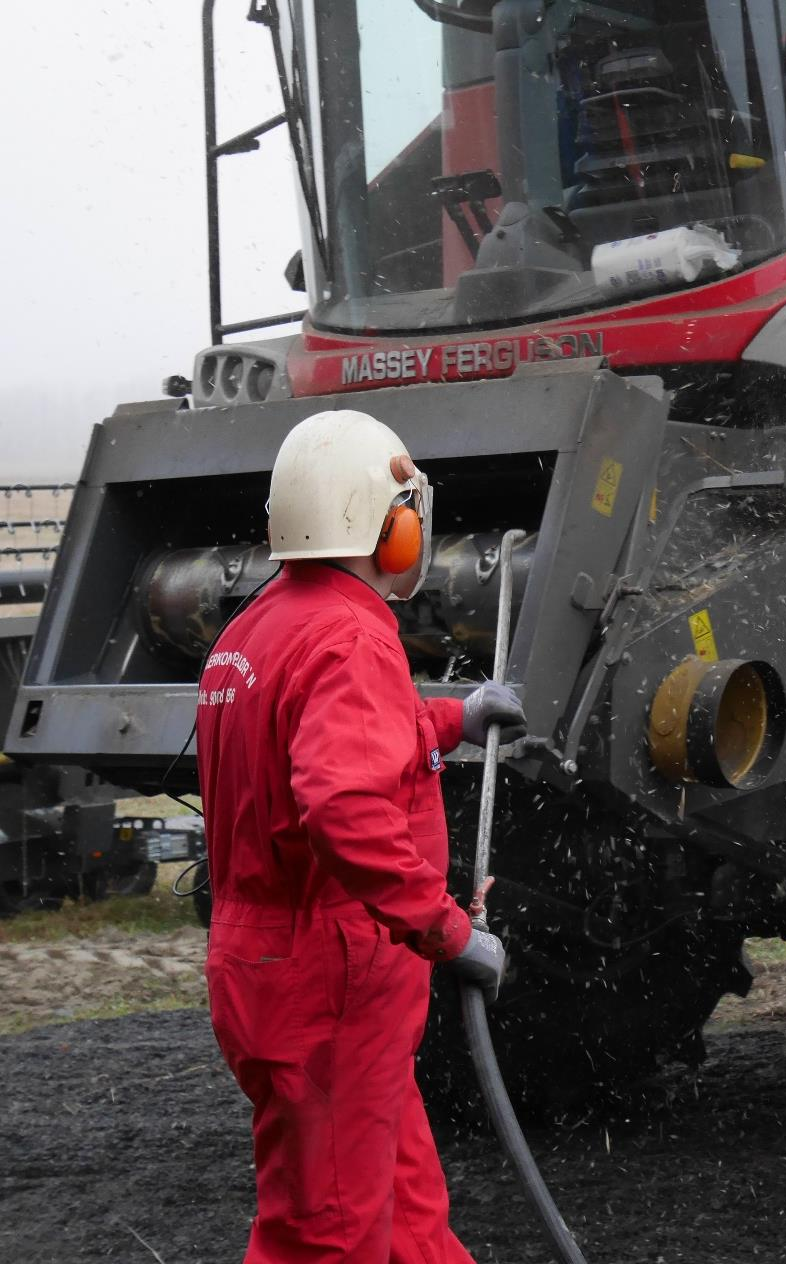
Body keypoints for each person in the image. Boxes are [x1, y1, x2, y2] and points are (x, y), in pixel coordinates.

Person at [196, 409, 526, 1263]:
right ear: (396, 528)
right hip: (330, 973)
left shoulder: (255, 630)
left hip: (271, 961)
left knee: (403, 1210)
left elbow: (337, 738)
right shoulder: (348, 637)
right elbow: (343, 803)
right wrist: (448, 933)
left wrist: (455, 718)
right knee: (330, 1237)